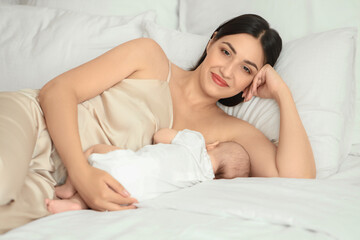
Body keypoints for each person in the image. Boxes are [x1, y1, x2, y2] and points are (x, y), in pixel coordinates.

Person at [0, 14, 316, 233]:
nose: (228, 70)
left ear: (253, 81)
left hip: (57, 183)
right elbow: (57, 91)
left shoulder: (230, 134)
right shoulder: (149, 56)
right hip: (32, 123)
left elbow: (297, 178)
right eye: (226, 51)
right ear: (212, 42)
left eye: (246, 69)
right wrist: (82, 173)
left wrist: (282, 94)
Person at [45, 128, 250, 214]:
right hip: (133, 195)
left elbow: (160, 135)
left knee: (94, 150)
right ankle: (76, 205)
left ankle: (68, 188)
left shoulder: (196, 142)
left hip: (126, 164)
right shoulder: (201, 183)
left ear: (214, 145)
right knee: (100, 195)